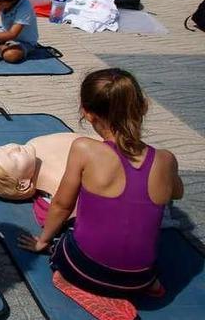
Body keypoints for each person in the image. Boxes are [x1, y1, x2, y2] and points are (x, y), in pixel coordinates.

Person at [19, 68, 183, 302]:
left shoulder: (84, 149)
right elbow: (177, 193)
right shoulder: (166, 159)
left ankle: (78, 279)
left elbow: (62, 205)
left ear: (87, 113)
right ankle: (146, 284)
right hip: (140, 278)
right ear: (143, 106)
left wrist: (42, 241)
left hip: (84, 270)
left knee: (64, 227)